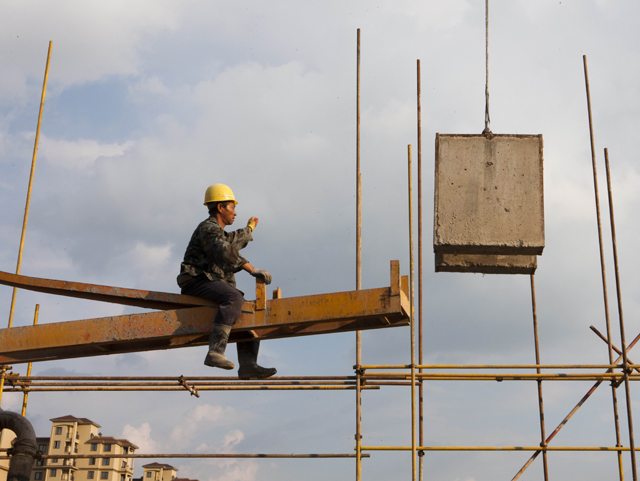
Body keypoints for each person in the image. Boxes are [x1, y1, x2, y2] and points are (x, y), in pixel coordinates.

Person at [177, 183, 276, 380]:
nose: (235, 212)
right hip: (196, 280)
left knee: (245, 309)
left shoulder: (218, 232)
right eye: (232, 207)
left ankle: (248, 365)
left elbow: (232, 241)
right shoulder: (207, 229)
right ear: (220, 207)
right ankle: (215, 352)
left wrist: (249, 229)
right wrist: (252, 269)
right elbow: (225, 251)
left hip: (208, 281)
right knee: (233, 298)